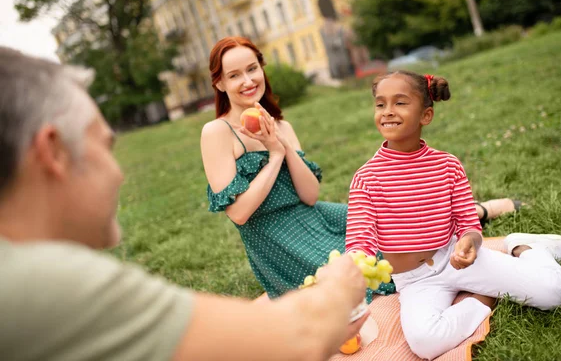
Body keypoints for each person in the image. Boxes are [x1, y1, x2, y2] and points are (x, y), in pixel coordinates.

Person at [0, 46, 370, 361]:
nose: (121, 175)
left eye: (253, 69)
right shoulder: (45, 286)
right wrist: (339, 290)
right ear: (53, 152)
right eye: (106, 146)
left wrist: (281, 149)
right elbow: (289, 337)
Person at [201, 36, 519, 301]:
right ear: (219, 82)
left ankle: (476, 213)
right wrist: (274, 156)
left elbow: (310, 195)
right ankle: (479, 214)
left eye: (252, 69)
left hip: (314, 215)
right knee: (370, 276)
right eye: (234, 75)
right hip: (274, 239)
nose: (247, 81)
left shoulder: (282, 124)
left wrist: (283, 145)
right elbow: (239, 214)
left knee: (397, 223)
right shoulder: (217, 133)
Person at [344, 70, 561, 360]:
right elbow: (360, 239)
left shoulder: (448, 165)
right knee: (425, 343)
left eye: (400, 103)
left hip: (456, 260)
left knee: (555, 293)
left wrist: (470, 242)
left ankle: (525, 248)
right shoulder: (366, 178)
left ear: (426, 115)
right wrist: (355, 266)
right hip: (415, 281)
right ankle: (483, 298)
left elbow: (468, 224)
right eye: (380, 104)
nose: (388, 112)